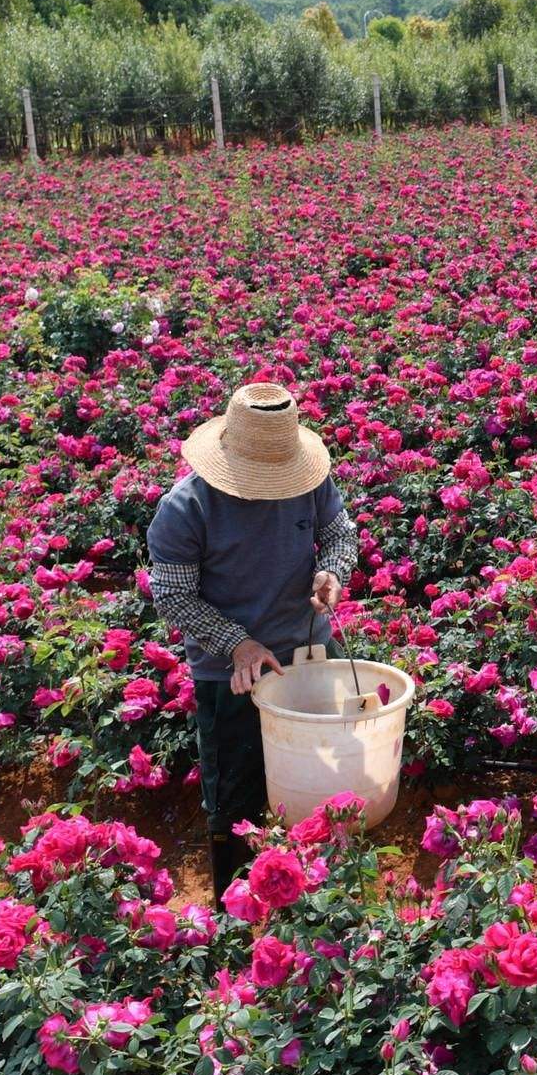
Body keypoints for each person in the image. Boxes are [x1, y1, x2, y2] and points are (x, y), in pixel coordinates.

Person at [146, 382, 356, 892]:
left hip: (309, 651)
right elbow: (175, 596)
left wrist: (330, 573)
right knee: (236, 799)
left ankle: (326, 905)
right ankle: (236, 919)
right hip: (231, 671)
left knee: (327, 778)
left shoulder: (312, 482)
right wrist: (238, 642)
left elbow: (339, 535)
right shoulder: (185, 508)